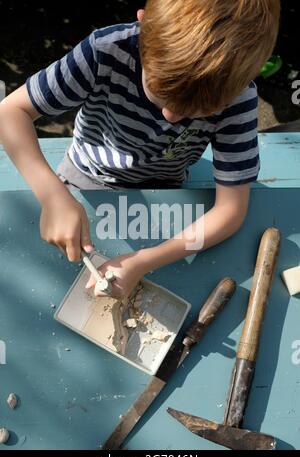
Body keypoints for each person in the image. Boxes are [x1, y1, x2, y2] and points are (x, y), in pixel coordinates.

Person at [0, 0, 280, 299]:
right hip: (86, 172)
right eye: (160, 96)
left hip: (167, 186)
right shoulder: (105, 50)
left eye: (198, 111)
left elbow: (231, 211)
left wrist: (144, 261)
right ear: (144, 27)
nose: (170, 118)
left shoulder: (237, 96)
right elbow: (9, 113)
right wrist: (52, 195)